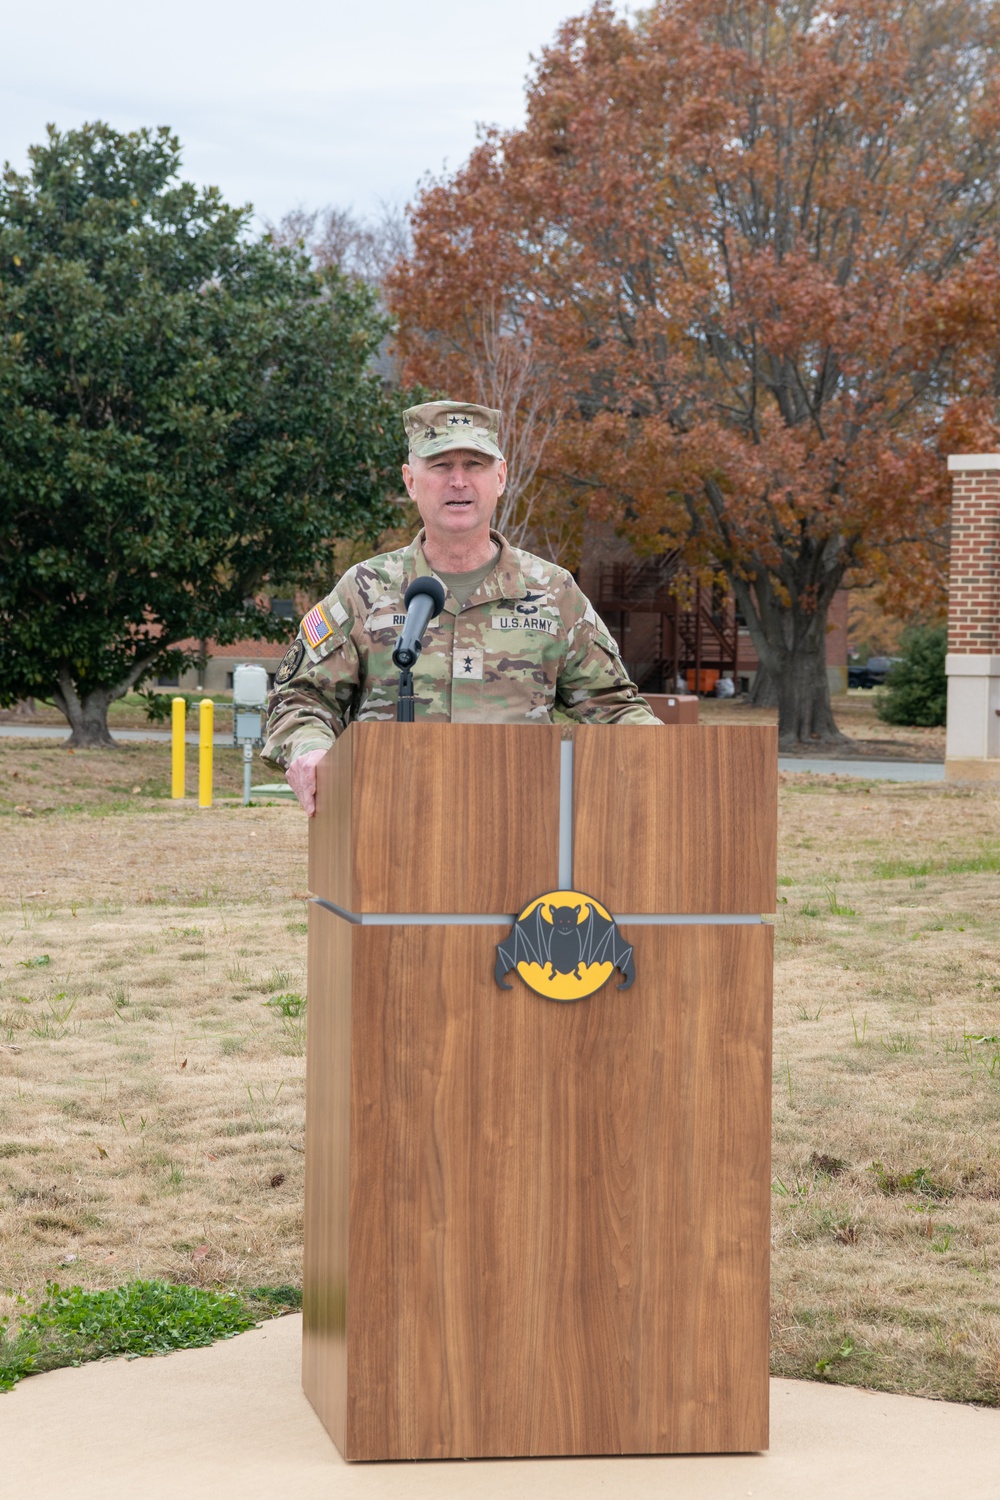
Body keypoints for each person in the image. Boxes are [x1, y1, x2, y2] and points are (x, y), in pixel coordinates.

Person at [261, 399, 660, 813]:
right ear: (410, 480)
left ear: (500, 477)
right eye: (439, 465)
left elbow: (613, 706)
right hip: (386, 831)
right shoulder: (365, 589)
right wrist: (309, 750)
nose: (458, 481)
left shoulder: (553, 592)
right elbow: (301, 699)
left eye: (474, 464)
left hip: (522, 831)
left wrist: (671, 758)